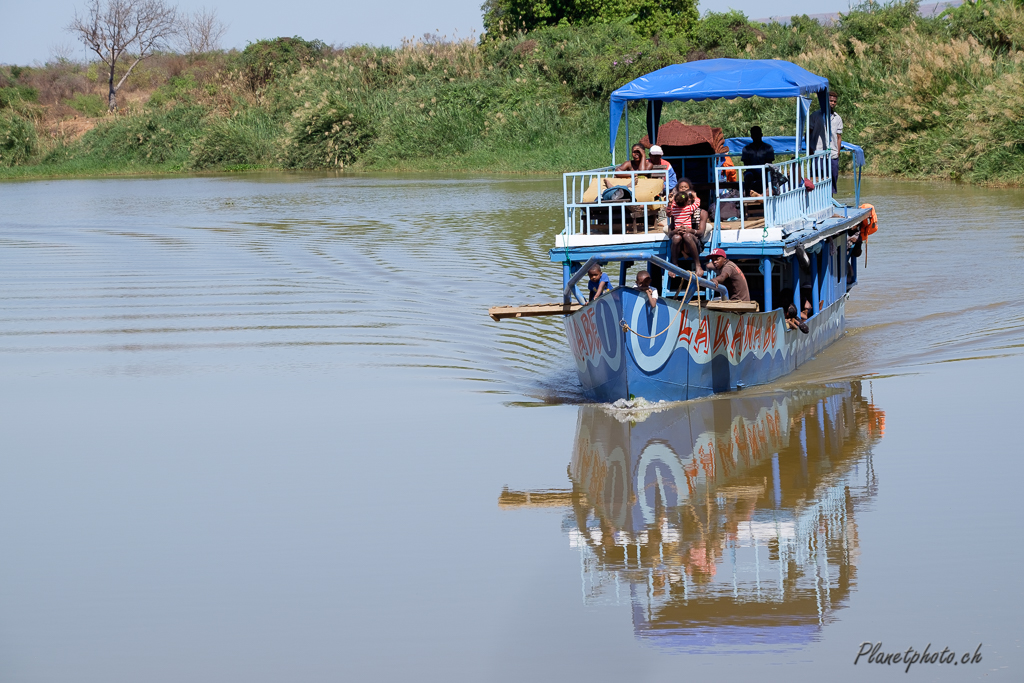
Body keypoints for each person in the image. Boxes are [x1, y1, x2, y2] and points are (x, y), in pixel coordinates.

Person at [667, 181, 706, 276]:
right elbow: (670, 233)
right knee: (676, 237)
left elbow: (701, 233)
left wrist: (690, 230)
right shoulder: (687, 209)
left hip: (693, 242)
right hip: (679, 244)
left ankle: (698, 265)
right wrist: (675, 231)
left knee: (687, 235)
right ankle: (674, 264)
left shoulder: (701, 212)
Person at [809, 90, 843, 195]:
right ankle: (816, 199)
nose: (832, 103)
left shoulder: (837, 118)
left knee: (832, 177)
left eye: (834, 101)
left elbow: (838, 137)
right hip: (818, 152)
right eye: (830, 101)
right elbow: (809, 133)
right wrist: (810, 148)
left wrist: (837, 152)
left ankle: (830, 199)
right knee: (817, 178)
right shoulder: (815, 116)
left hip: (832, 153)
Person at [740, 126, 775, 196]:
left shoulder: (768, 148)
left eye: (757, 134)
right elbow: (746, 164)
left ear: (761, 135)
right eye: (754, 134)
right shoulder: (746, 149)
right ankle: (747, 195)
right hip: (751, 171)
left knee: (768, 174)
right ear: (751, 136)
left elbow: (769, 163)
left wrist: (762, 170)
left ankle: (766, 194)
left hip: (764, 171)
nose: (756, 136)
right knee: (748, 175)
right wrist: (754, 170)